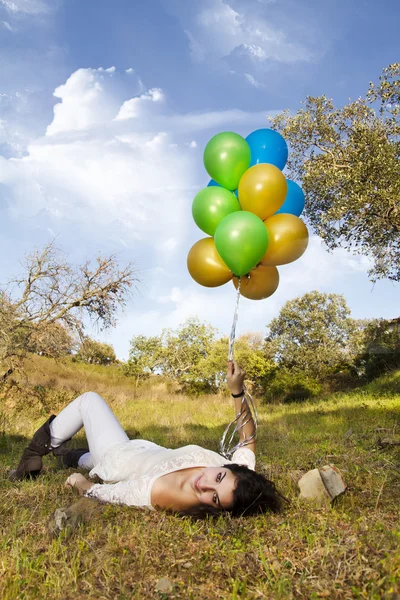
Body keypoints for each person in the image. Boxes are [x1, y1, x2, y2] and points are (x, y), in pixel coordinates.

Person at [10, 361, 283, 517]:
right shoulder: (240, 477)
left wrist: (83, 485)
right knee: (83, 458)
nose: (205, 485)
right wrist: (237, 392)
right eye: (218, 478)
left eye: (213, 499)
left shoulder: (167, 495)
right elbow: (246, 440)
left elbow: (114, 494)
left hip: (117, 456)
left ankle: (34, 454)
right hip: (140, 450)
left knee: (89, 401)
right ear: (230, 468)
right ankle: (67, 455)